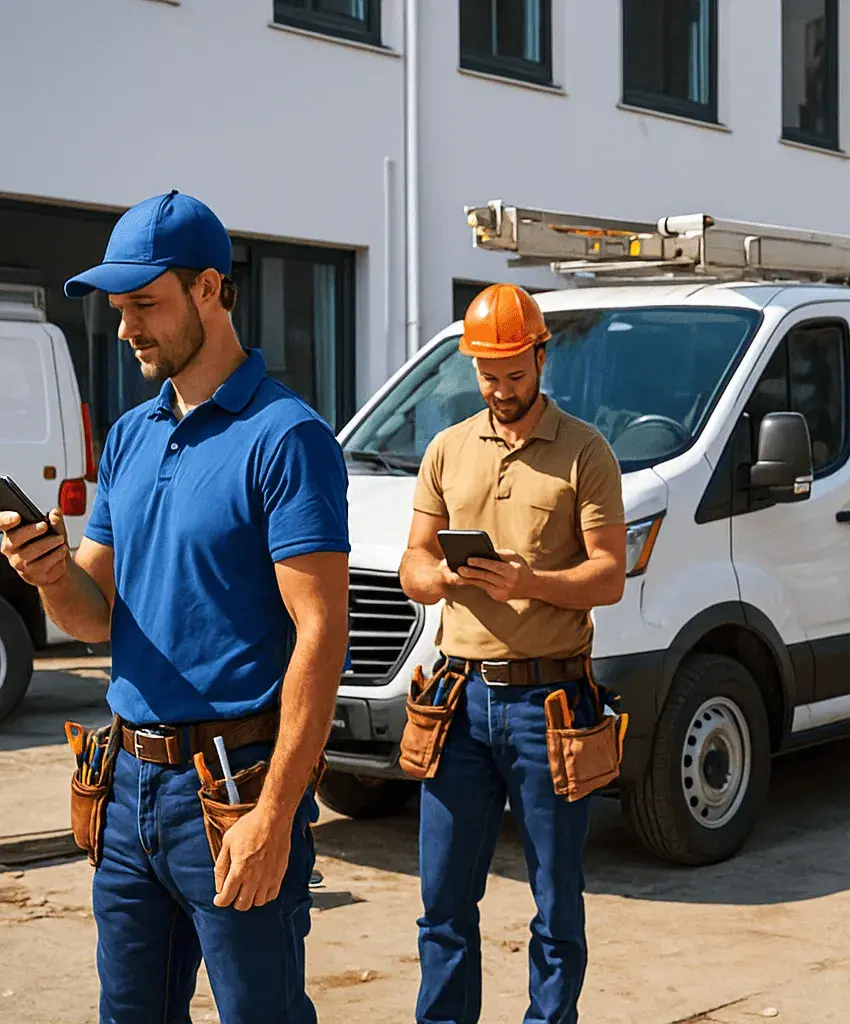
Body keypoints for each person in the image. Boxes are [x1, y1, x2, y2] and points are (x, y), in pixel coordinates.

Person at [0, 190, 350, 1023]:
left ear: (208, 289)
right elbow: (94, 615)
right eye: (120, 310)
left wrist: (276, 813)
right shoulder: (129, 435)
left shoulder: (285, 438)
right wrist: (46, 572)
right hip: (125, 787)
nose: (126, 330)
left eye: (145, 306)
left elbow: (322, 631)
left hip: (233, 791)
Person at [399, 282, 627, 1024]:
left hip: (549, 706)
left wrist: (529, 580)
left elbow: (609, 574)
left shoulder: (586, 452)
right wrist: (437, 577)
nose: (501, 389)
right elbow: (413, 562)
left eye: (515, 374)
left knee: (557, 905)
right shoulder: (446, 449)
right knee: (442, 904)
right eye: (488, 374)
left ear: (540, 354)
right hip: (457, 702)